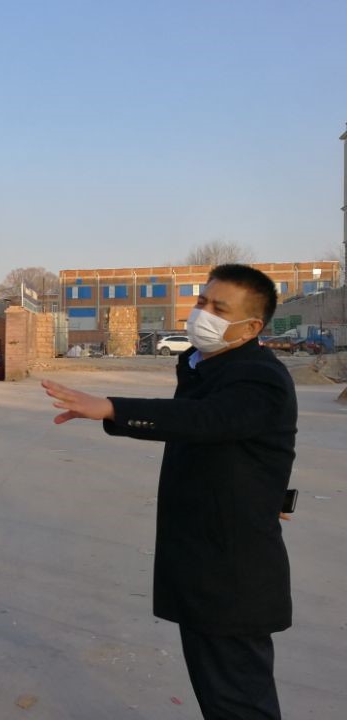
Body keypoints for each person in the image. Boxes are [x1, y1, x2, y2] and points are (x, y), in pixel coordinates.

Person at [43, 264, 296, 720]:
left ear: (251, 327)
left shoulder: (259, 376)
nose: (203, 313)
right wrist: (269, 493)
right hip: (203, 562)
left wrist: (113, 408)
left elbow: (206, 420)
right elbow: (250, 447)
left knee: (238, 701)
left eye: (220, 309)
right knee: (220, 696)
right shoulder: (203, 366)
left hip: (232, 574)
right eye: (202, 301)